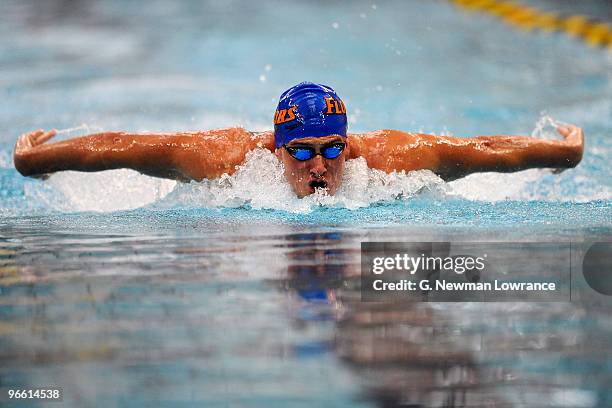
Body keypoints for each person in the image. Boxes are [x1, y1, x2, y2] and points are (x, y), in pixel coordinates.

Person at [13, 82, 584, 198]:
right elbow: (119, 146)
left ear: (348, 144)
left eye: (332, 150)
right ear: (276, 147)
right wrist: (32, 162)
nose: (320, 167)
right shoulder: (224, 159)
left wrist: (568, 153)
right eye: (304, 152)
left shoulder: (389, 158)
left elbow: (486, 151)